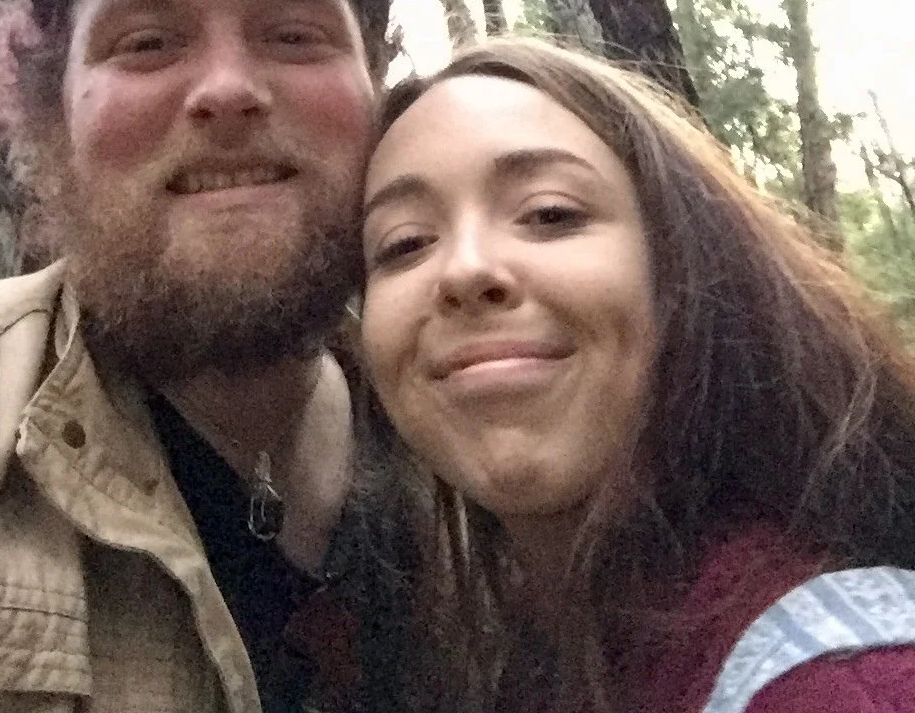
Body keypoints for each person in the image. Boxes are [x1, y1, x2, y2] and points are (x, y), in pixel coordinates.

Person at [0, 0, 404, 713]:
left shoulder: (483, 439)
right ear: (54, 114)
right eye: (149, 42)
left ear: (375, 92)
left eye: (294, 34)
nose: (228, 88)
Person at [360, 37, 915, 713]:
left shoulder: (847, 684)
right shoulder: (529, 663)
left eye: (549, 213)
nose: (465, 270)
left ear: (685, 270)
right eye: (404, 244)